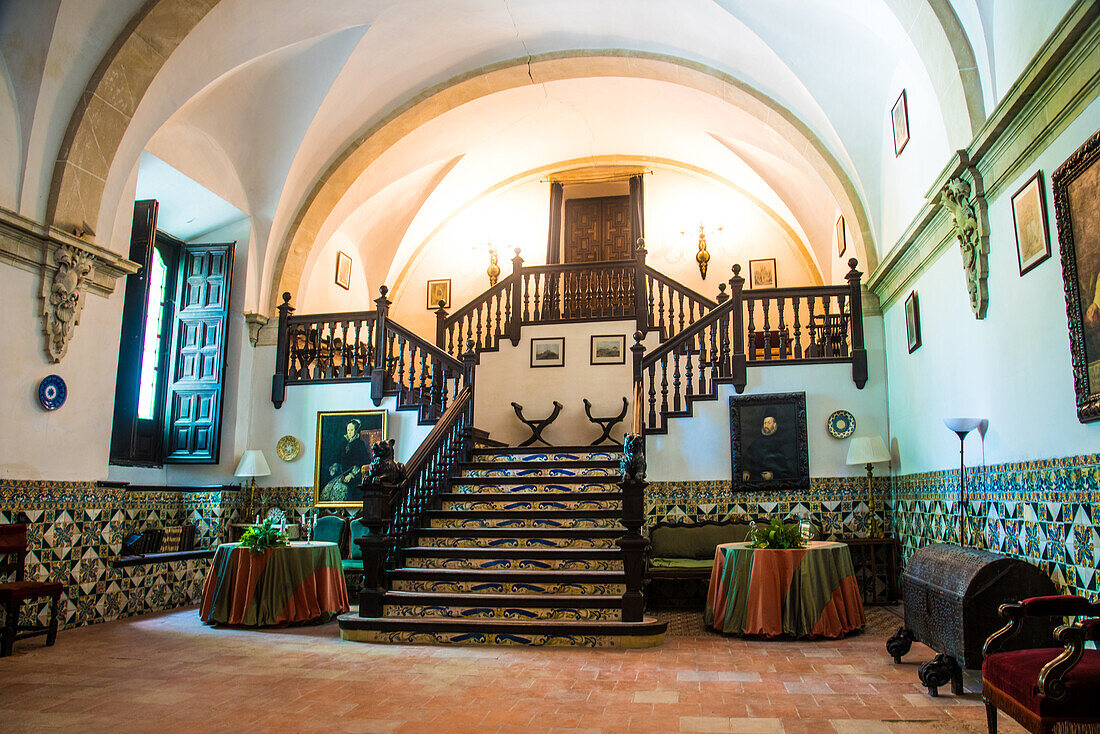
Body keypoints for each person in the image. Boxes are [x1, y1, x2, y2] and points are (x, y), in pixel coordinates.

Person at [320, 419, 371, 502]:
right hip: (342, 475)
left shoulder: (360, 444)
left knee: (342, 490)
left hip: (355, 477)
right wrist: (335, 466)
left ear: (356, 430)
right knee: (328, 490)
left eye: (351, 430)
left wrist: (352, 475)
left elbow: (364, 461)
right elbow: (337, 457)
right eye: (348, 430)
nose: (349, 432)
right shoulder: (343, 443)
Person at [741, 414, 795, 482]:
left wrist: (773, 475)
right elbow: (747, 457)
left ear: (774, 425)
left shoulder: (782, 441)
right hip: (756, 479)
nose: (766, 426)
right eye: (765, 423)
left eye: (769, 423)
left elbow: (788, 467)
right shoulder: (757, 441)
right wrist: (746, 471)